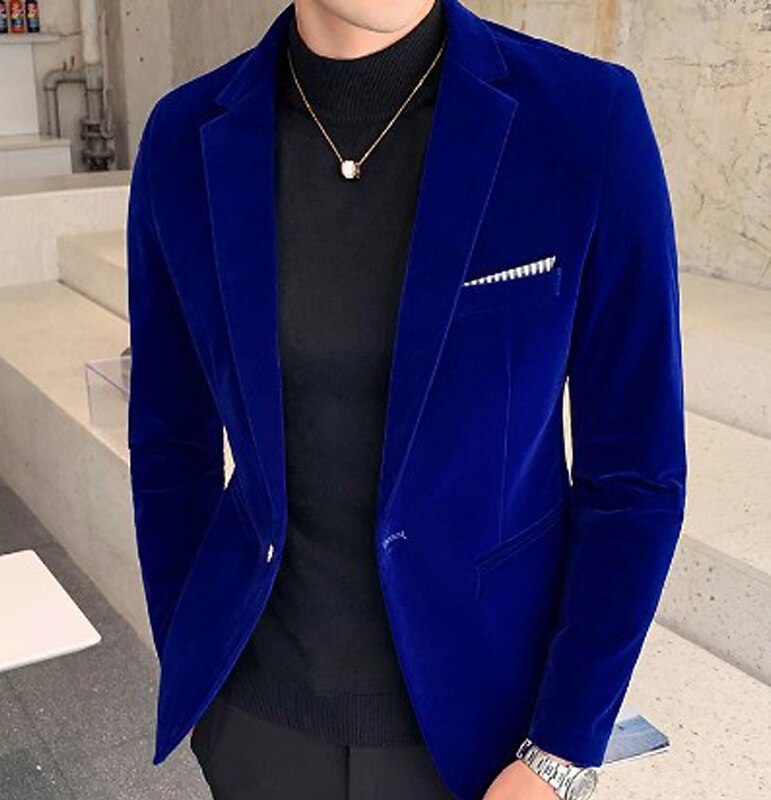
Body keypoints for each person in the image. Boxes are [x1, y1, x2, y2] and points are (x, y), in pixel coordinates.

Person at [125, 0, 688, 798]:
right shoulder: (184, 137)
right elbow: (169, 441)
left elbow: (636, 472)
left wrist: (561, 752)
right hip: (256, 719)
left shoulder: (584, 117)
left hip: (486, 736)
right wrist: (193, 669)